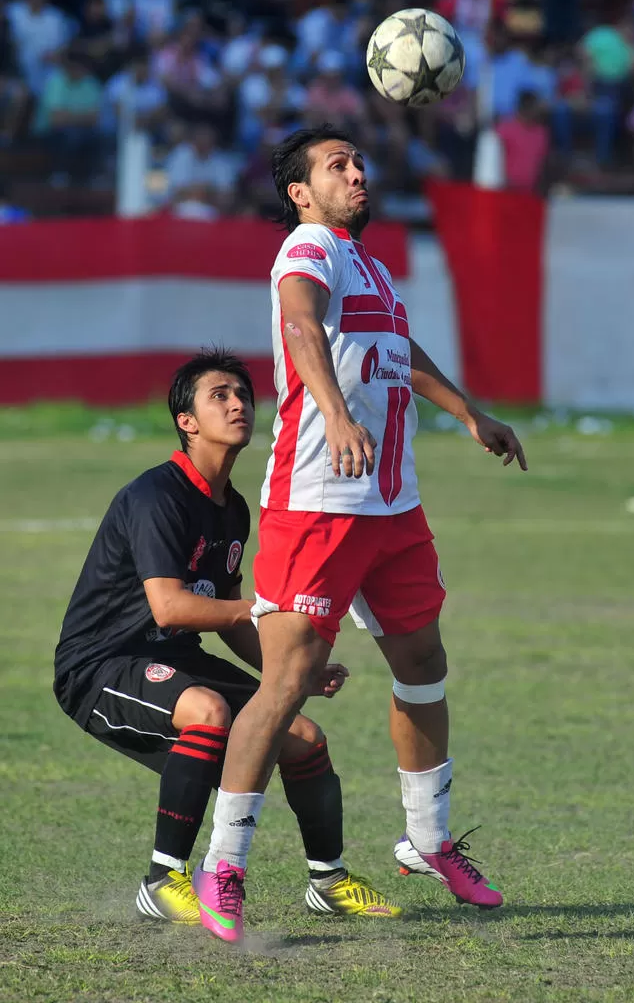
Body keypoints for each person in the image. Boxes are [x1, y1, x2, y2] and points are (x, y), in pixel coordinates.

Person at [193, 126, 528, 943]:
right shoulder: (307, 248)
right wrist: (337, 413)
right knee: (290, 680)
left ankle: (429, 839)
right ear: (301, 193)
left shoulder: (368, 262)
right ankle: (224, 865)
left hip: (392, 508)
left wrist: (468, 413)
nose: (356, 172)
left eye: (359, 161)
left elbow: (395, 350)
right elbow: (302, 328)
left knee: (423, 661)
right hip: (317, 503)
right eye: (336, 165)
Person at [53, 348, 401, 928]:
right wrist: (266, 609)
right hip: (102, 665)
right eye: (220, 396)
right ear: (186, 422)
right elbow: (172, 606)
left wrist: (290, 671)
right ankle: (163, 881)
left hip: (172, 657)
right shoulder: (156, 496)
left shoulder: (233, 509)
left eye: (243, 394)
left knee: (303, 737)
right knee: (209, 711)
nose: (238, 404)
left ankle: (328, 879)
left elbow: (229, 617)